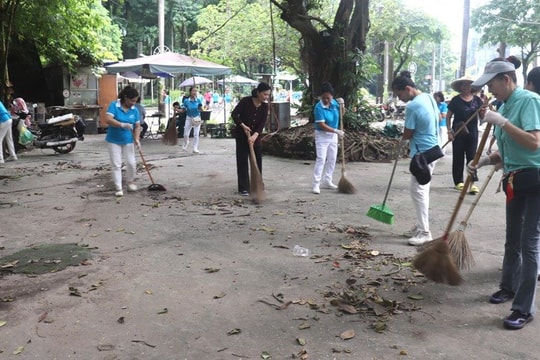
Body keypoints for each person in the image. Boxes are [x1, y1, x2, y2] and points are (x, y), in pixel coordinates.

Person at [468, 57, 540, 330]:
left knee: (529, 244)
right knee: (512, 238)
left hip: (535, 178)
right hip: (514, 178)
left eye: (493, 85)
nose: (490, 91)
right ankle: (508, 286)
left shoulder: (529, 100)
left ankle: (523, 308)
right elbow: (507, 150)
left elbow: (534, 143)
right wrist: (486, 160)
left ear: (506, 80)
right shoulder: (505, 105)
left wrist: (502, 121)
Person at [391, 71, 440, 246]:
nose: (400, 98)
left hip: (422, 153)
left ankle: (425, 231)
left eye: (400, 94)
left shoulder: (412, 106)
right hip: (434, 148)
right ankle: (420, 225)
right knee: (422, 190)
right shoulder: (428, 97)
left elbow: (408, 132)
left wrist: (401, 138)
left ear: (408, 88)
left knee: (418, 191)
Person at [231, 82, 271, 196]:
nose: (266, 97)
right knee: (242, 161)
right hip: (242, 136)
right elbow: (234, 114)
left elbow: (262, 123)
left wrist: (255, 136)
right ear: (258, 92)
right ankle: (243, 187)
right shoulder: (245, 101)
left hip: (255, 138)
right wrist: (243, 126)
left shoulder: (264, 106)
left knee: (257, 161)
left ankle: (257, 185)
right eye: (264, 94)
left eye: (268, 95)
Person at [446, 76, 483, 194]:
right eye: (463, 84)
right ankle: (458, 181)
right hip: (458, 132)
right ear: (460, 87)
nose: (466, 87)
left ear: (472, 87)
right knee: (458, 157)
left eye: (468, 84)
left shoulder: (477, 100)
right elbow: (448, 116)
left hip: (472, 132)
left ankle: (472, 182)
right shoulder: (456, 100)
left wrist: (483, 110)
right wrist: (449, 131)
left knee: (472, 157)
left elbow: (482, 117)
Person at [104, 86, 141, 197]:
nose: (133, 103)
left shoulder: (135, 110)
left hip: (128, 140)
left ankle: (130, 182)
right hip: (113, 140)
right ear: (125, 98)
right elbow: (108, 119)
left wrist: (137, 139)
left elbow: (137, 126)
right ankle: (118, 187)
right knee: (116, 164)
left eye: (135, 101)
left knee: (131, 163)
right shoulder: (114, 105)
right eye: (131, 100)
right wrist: (122, 124)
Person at [311, 82, 344, 194]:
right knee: (321, 159)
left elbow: (342, 114)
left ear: (332, 97)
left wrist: (342, 106)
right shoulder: (318, 107)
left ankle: (327, 180)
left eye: (328, 98)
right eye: (324, 98)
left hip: (333, 136)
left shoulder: (334, 103)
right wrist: (336, 130)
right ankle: (316, 183)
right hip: (322, 135)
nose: (326, 100)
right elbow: (321, 124)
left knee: (332, 158)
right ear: (320, 97)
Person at [182, 87, 203, 153]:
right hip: (189, 118)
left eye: (196, 91)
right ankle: (186, 142)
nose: (194, 92)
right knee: (185, 134)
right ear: (190, 92)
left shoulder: (198, 100)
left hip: (197, 118)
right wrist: (177, 110)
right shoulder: (186, 101)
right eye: (193, 91)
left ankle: (195, 148)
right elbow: (183, 109)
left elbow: (201, 109)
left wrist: (202, 109)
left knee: (196, 134)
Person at [0, 99, 17, 164]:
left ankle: (0, 159)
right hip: (9, 119)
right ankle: (13, 155)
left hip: (4, 121)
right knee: (9, 138)